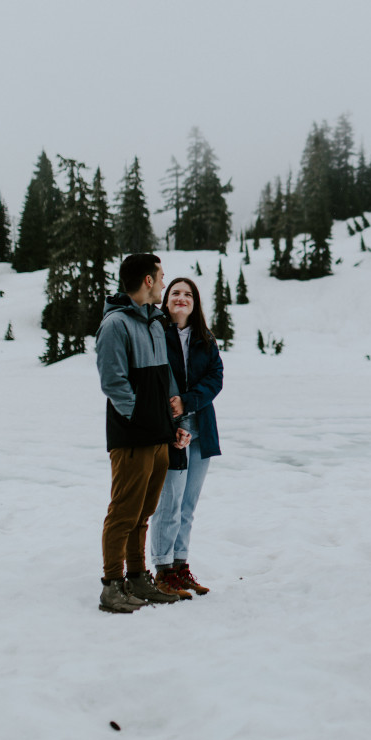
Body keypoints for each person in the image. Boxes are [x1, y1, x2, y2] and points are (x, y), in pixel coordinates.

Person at [94, 253, 193, 613]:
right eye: (161, 276)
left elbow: (164, 380)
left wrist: (172, 424)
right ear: (148, 281)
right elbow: (113, 382)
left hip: (157, 436)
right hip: (132, 436)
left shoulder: (154, 322)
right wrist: (140, 419)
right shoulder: (116, 325)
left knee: (143, 513)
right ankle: (111, 584)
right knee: (124, 512)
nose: (165, 283)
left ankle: (137, 578)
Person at [150, 277, 224, 598]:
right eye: (175, 293)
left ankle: (180, 567)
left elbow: (215, 378)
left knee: (188, 505)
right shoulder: (156, 334)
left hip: (202, 428)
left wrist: (188, 400)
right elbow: (153, 380)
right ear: (166, 301)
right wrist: (174, 411)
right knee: (170, 502)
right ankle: (163, 570)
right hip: (170, 430)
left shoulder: (205, 339)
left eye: (188, 294)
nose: (181, 297)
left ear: (195, 303)